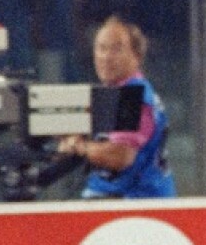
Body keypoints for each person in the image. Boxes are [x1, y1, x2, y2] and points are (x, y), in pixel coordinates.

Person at [57, 16, 176, 199]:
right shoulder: (112, 93)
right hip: (110, 203)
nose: (106, 57)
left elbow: (120, 155)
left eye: (116, 49)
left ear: (137, 56)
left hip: (135, 206)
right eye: (101, 48)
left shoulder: (133, 94)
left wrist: (81, 147)